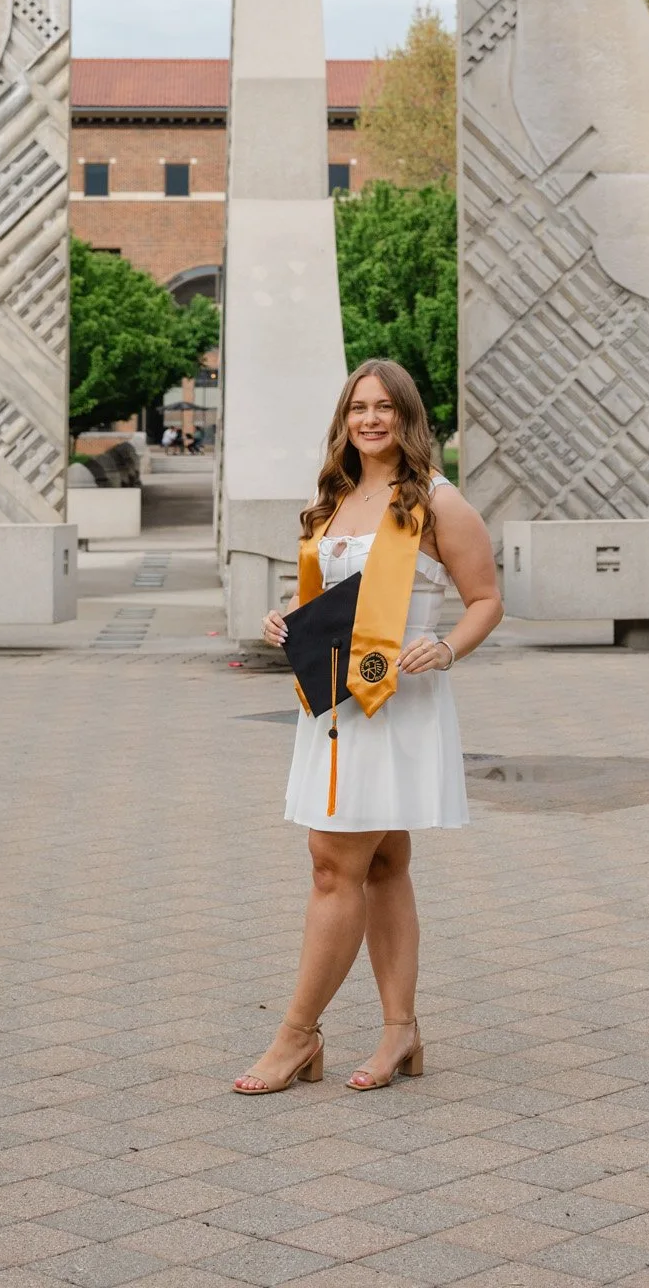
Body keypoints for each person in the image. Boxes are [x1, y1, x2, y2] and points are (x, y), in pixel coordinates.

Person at [232, 359, 503, 1096]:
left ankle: (295, 1037)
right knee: (381, 867)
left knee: (332, 864)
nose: (371, 419)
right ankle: (400, 1032)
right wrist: (285, 613)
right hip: (332, 702)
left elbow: (485, 598)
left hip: (398, 701)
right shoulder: (335, 499)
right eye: (359, 408)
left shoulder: (437, 503)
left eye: (385, 407)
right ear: (344, 420)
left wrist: (446, 647)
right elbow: (328, 597)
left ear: (408, 416)